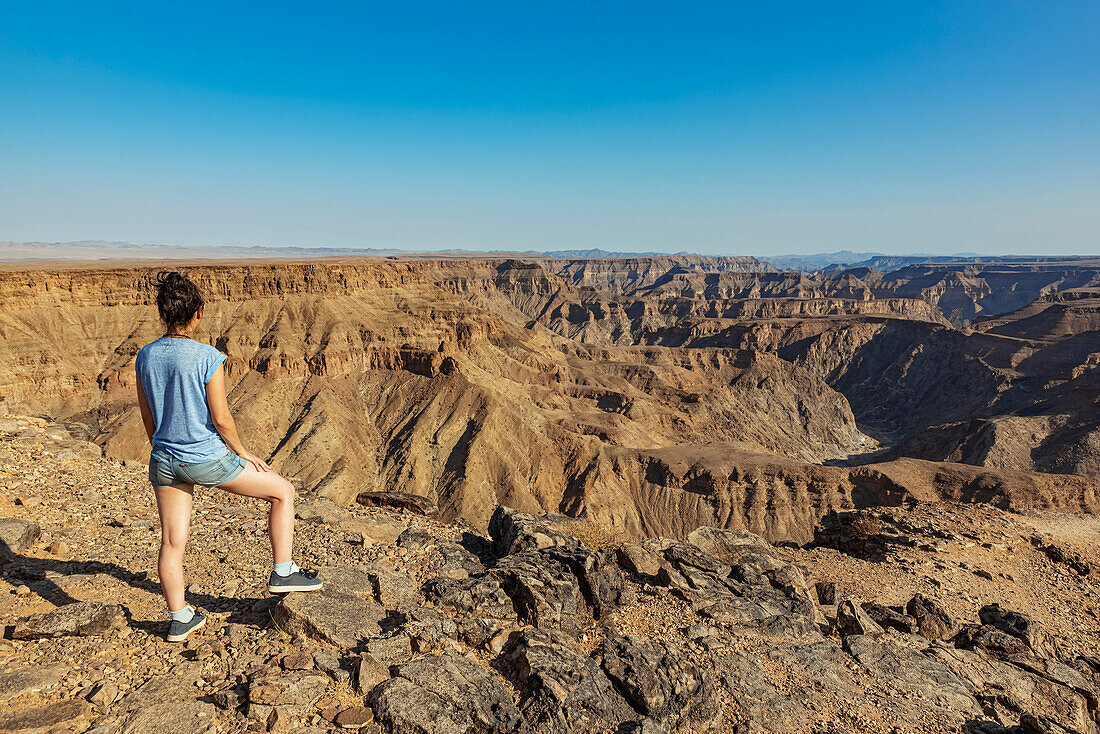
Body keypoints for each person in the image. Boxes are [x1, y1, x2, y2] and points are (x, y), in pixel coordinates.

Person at [135, 271, 321, 642]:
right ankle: (283, 571)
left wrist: (161, 447)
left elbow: (146, 416)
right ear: (199, 313)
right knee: (282, 491)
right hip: (205, 458)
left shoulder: (145, 355)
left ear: (163, 313)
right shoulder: (208, 356)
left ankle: (180, 617)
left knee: (172, 541)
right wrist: (242, 452)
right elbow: (221, 417)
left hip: (164, 459)